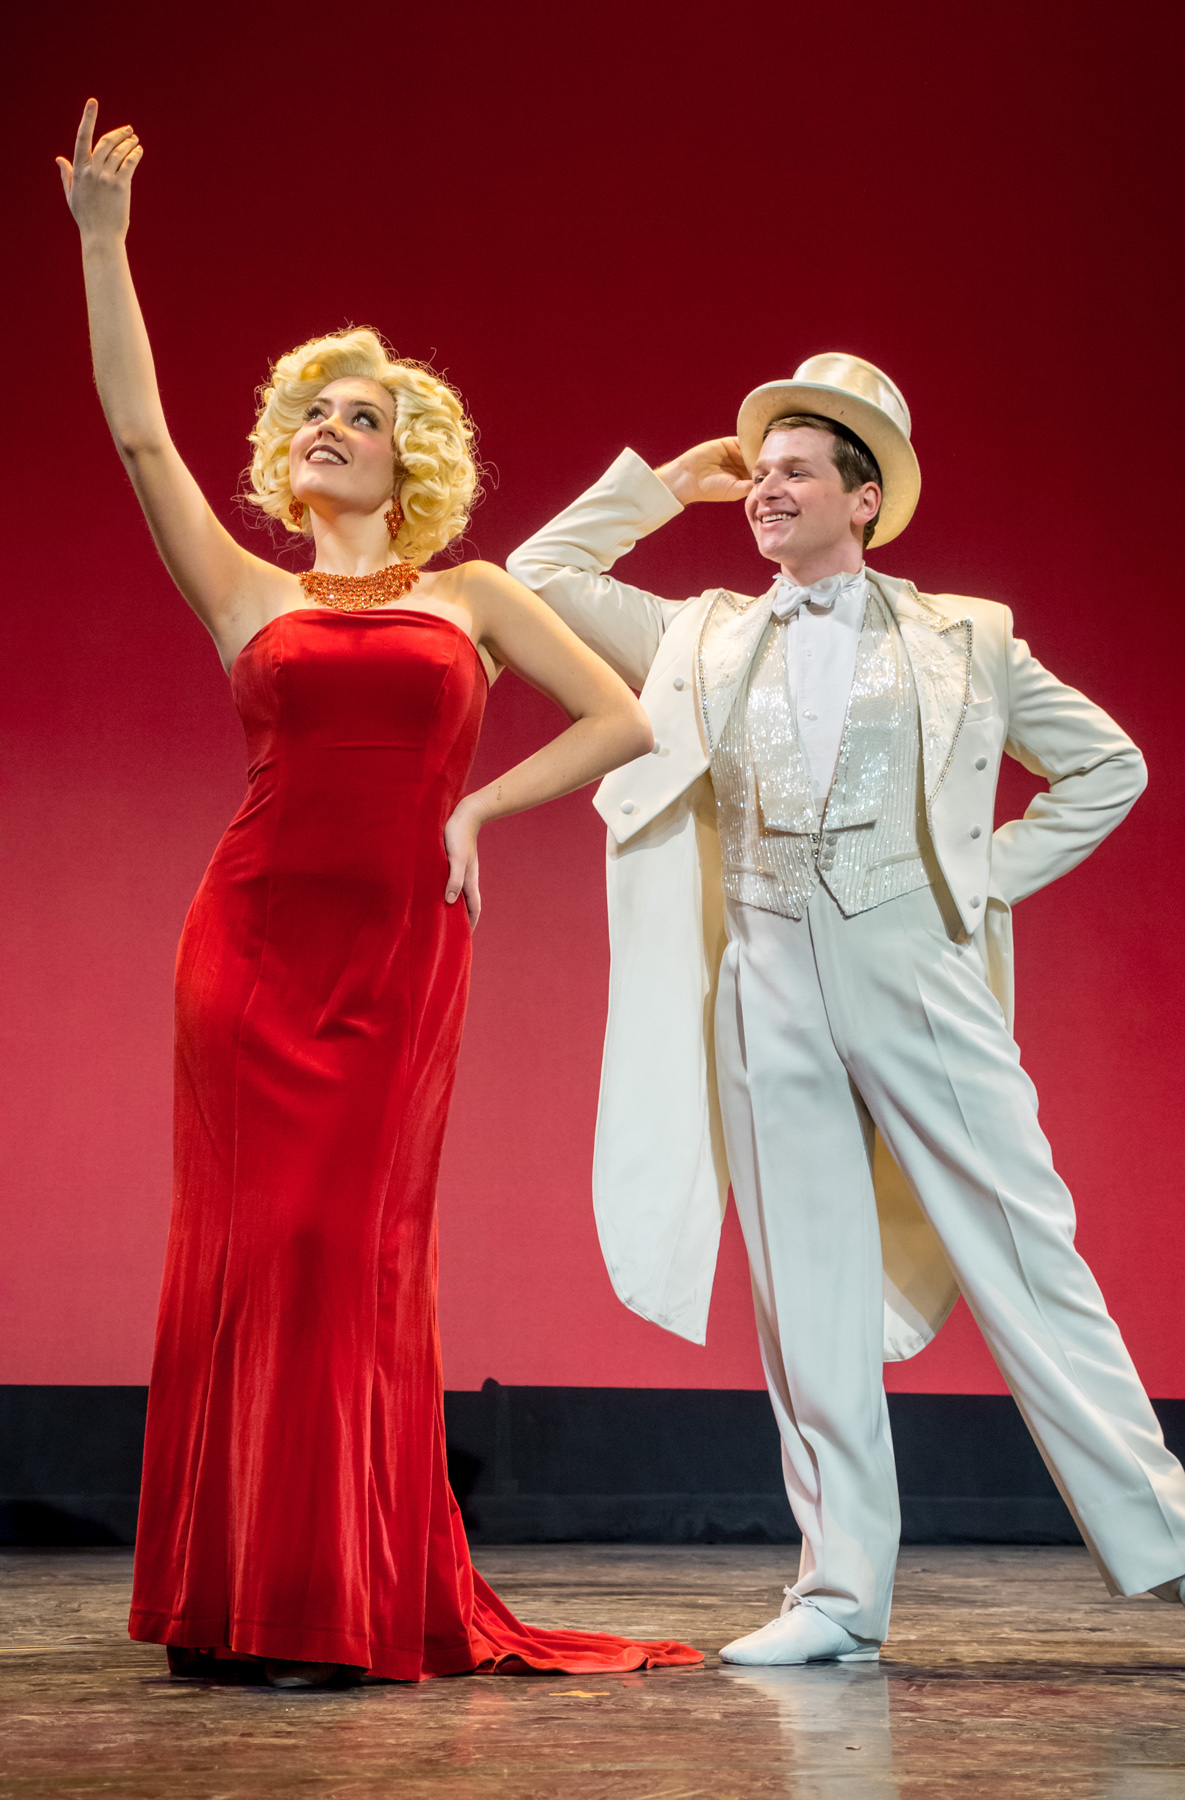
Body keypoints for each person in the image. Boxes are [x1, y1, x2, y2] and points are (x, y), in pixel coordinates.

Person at [505, 352, 1185, 1674]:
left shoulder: (964, 638)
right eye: (758, 471)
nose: (765, 488)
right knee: (802, 1292)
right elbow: (532, 586)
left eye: (794, 470)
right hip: (763, 983)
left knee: (1029, 1260)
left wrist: (974, 882)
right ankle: (837, 1593)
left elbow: (1109, 762)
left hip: (913, 971)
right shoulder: (697, 631)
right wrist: (654, 490)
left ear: (862, 499)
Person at [56, 100, 699, 1686]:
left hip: (400, 950)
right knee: (247, 1247)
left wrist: (481, 801)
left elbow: (623, 719)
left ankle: (325, 1596)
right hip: (249, 940)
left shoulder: (472, 594)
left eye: (364, 413)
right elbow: (140, 436)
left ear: (409, 456)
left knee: (347, 1250)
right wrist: (101, 241)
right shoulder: (248, 587)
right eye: (316, 412)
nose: (334, 426)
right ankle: (234, 1603)